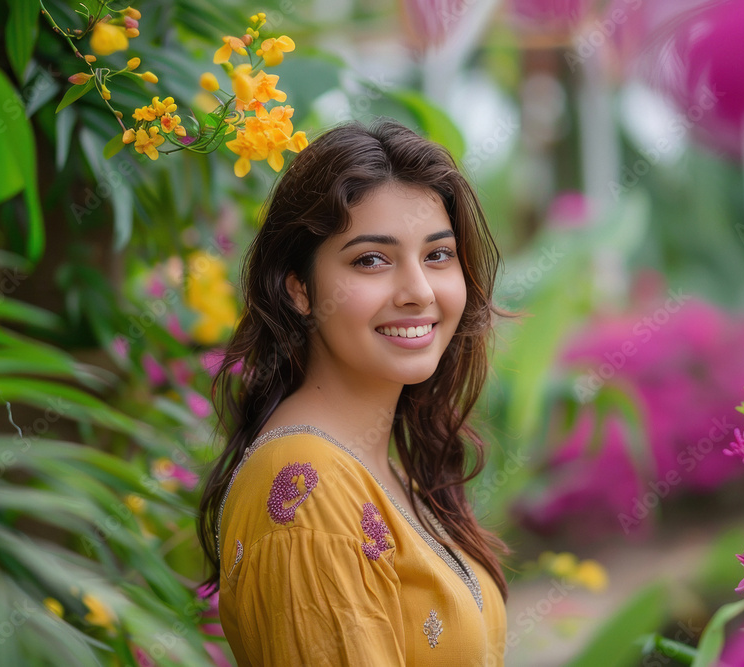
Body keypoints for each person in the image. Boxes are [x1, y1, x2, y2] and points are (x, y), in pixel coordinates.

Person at [197, 118, 514, 666]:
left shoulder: (377, 468)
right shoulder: (306, 490)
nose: (418, 292)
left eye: (438, 255)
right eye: (371, 260)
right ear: (298, 289)